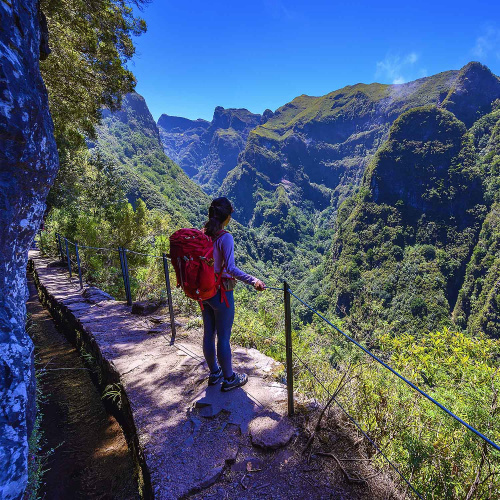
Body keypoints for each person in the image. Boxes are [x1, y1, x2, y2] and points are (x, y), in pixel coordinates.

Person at [202, 197, 265, 391]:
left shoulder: (204, 235)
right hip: (222, 292)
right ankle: (229, 379)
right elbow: (230, 268)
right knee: (223, 337)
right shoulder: (225, 238)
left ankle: (214, 373)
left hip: (205, 292)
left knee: (208, 333)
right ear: (227, 217)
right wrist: (253, 280)